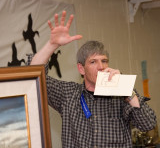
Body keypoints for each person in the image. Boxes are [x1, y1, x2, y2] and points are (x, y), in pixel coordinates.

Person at [28, 11, 156, 148]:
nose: (101, 67)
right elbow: (33, 77)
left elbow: (148, 124)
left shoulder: (121, 94)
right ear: (81, 69)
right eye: (93, 62)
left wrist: (127, 91)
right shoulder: (68, 94)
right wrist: (52, 45)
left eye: (104, 61)